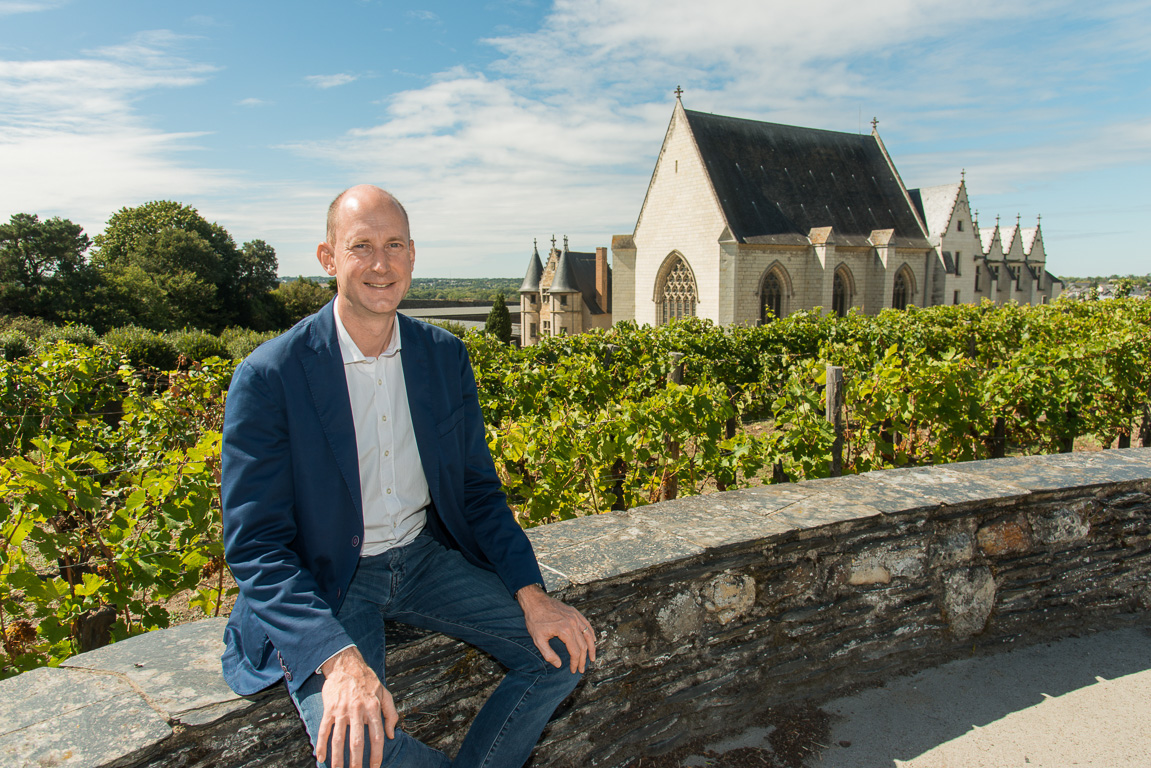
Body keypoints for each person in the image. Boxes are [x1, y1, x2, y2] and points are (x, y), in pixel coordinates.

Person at [220, 185, 596, 768]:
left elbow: (477, 492)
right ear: (328, 258)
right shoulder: (270, 375)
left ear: (413, 255)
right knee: (356, 751)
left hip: (422, 560)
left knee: (565, 655)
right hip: (328, 584)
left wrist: (533, 594)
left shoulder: (444, 356)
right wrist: (337, 659)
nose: (380, 263)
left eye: (394, 245)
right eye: (360, 246)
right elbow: (255, 546)